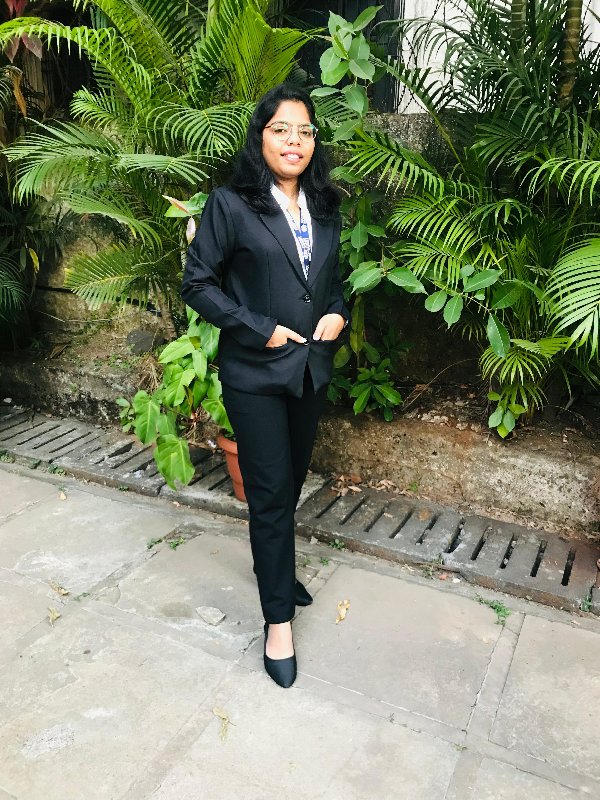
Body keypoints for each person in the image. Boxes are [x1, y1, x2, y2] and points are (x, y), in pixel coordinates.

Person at [181, 82, 349, 688]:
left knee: (291, 482)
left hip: (310, 371)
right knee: (272, 494)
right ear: (261, 138)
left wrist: (339, 314)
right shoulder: (230, 205)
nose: (294, 141)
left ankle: (274, 569)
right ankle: (278, 621)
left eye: (305, 131)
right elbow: (198, 284)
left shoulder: (325, 207)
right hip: (255, 373)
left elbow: (333, 284)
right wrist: (261, 329)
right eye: (282, 130)